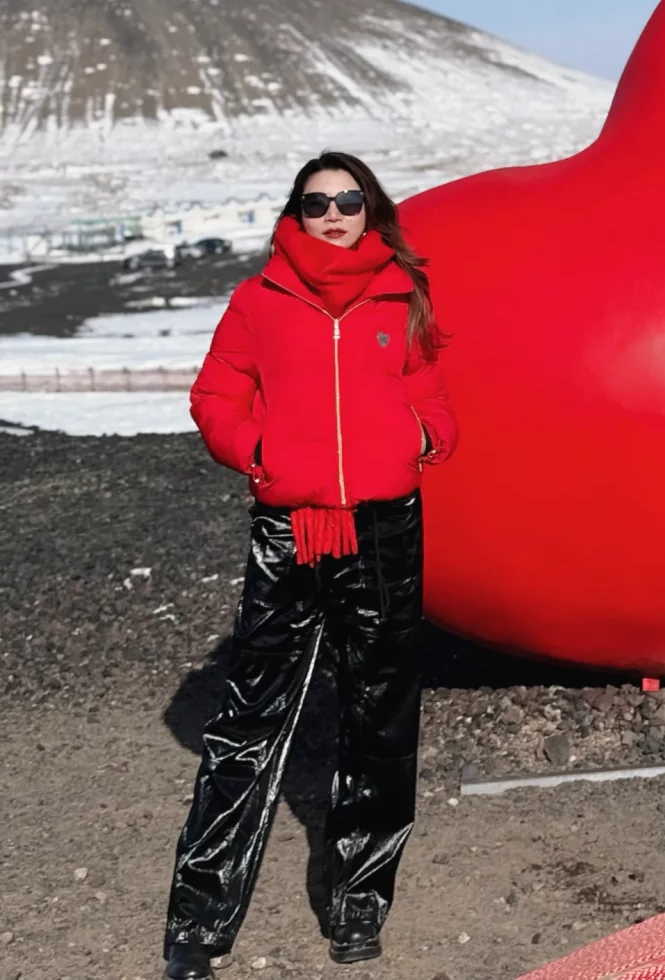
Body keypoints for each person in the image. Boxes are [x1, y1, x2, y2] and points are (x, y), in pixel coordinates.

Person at [162, 152, 458, 979]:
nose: (333, 213)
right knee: (248, 726)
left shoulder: (401, 295)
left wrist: (426, 437)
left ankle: (358, 898)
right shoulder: (259, 301)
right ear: (296, 211)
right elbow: (214, 395)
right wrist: (259, 452)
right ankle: (200, 920)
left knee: (380, 715)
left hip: (385, 528)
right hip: (289, 529)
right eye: (316, 200)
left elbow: (428, 389)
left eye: (348, 199)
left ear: (372, 209)